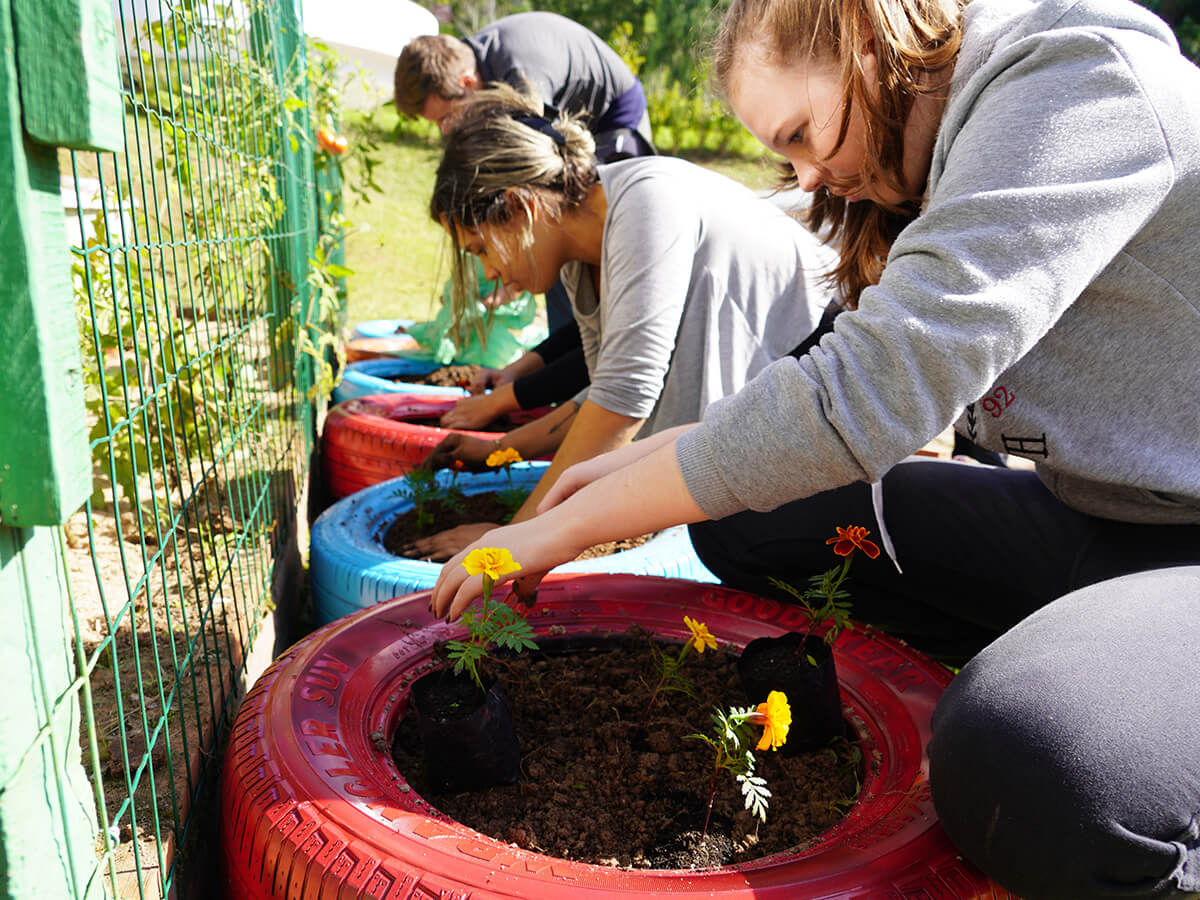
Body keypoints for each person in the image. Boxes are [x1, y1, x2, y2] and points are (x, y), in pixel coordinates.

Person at [429, 0, 1200, 897]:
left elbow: (877, 385)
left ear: (871, 44)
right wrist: (625, 473)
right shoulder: (921, 162)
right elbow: (817, 367)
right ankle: (1104, 656)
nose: (808, 178)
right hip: (1107, 518)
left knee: (1029, 763)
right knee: (747, 523)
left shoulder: (1075, 82)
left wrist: (564, 529)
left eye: (801, 134)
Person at [400, 83, 839, 561]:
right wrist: (503, 451)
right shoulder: (578, 262)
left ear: (522, 207)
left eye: (481, 249)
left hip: (826, 375)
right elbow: (601, 397)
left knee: (733, 546)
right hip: (762, 411)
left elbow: (623, 401)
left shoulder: (644, 203)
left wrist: (508, 544)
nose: (488, 272)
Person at [395, 12, 656, 338]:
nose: (445, 129)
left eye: (445, 117)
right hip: (560, 129)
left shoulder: (521, 71)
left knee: (563, 238)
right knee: (557, 263)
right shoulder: (474, 69)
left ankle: (598, 346)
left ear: (466, 83)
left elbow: (535, 185)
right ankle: (571, 351)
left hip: (611, 123)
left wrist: (510, 267)